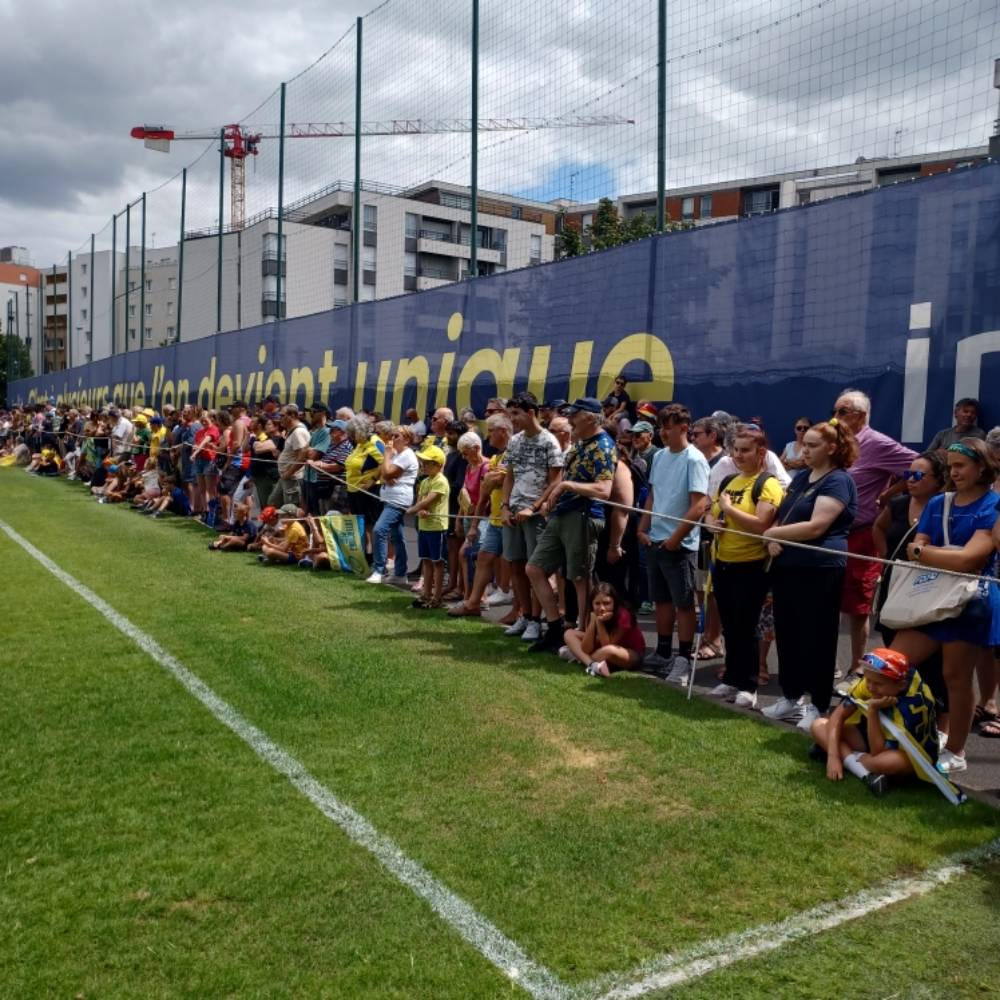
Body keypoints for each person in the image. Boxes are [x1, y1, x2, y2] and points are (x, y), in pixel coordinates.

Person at [888, 440, 1000, 773]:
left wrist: (927, 554)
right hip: (930, 596)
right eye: (950, 466)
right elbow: (916, 547)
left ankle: (956, 751)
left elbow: (970, 559)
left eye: (960, 466)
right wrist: (934, 554)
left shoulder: (993, 504)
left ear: (982, 467)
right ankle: (898, 730)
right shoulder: (938, 502)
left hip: (971, 601)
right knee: (891, 663)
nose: (953, 472)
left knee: (956, 677)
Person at [762, 420, 859, 730]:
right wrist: (776, 536)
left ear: (832, 448)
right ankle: (791, 696)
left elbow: (818, 525)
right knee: (788, 632)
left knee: (817, 636)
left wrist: (773, 532)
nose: (805, 449)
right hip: (788, 566)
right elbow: (786, 515)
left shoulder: (839, 480)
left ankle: (818, 705)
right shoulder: (802, 476)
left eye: (813, 445)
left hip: (820, 568)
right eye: (804, 443)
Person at [831, 388, 916, 672]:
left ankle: (857, 667)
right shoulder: (838, 443)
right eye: (834, 411)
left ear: (861, 415)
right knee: (829, 600)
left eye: (842, 412)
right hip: (831, 534)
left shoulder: (877, 443)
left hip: (862, 534)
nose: (835, 418)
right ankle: (826, 663)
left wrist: (891, 492)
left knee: (857, 607)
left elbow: (920, 466)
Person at [526, 397, 617, 653]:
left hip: (583, 515)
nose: (570, 420)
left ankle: (584, 636)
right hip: (562, 513)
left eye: (575, 415)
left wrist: (566, 487)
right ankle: (556, 629)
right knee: (534, 568)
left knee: (580, 578)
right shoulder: (579, 444)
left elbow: (604, 489)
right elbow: (564, 477)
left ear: (590, 417)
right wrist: (543, 502)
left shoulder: (603, 446)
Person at [705, 424, 784, 708]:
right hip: (723, 561)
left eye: (745, 450)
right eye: (735, 450)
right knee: (730, 625)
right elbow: (709, 513)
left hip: (751, 564)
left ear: (760, 452)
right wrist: (713, 522)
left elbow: (761, 524)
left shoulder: (768, 483)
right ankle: (731, 678)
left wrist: (728, 510)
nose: (739, 455)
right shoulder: (729, 482)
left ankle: (749, 685)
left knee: (747, 625)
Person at [868, 451, 948, 708]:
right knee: (892, 643)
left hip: (927, 589)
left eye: (918, 475)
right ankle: (900, 707)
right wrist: (885, 556)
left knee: (932, 663)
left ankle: (938, 718)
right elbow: (878, 528)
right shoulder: (899, 504)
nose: (910, 480)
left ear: (938, 480)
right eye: (907, 475)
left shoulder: (946, 509)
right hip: (894, 581)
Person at [637, 403, 710, 683]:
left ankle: (683, 658)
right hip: (655, 540)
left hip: (679, 545)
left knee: (683, 603)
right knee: (661, 600)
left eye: (667, 429)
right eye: (661, 428)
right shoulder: (661, 457)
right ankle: (664, 652)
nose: (663, 434)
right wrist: (642, 528)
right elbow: (652, 495)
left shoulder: (694, 459)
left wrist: (675, 539)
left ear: (683, 428)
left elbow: (699, 505)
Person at [809, 648, 938, 798]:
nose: (870, 687)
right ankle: (858, 766)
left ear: (901, 685)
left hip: (903, 753)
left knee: (892, 762)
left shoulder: (910, 707)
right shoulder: (876, 680)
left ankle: (845, 755)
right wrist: (833, 756)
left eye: (877, 684)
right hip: (871, 738)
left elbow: (878, 751)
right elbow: (838, 715)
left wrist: (872, 711)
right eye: (867, 680)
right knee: (818, 725)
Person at [500, 392, 564, 641]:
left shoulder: (549, 441)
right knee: (515, 564)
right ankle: (525, 615)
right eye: (510, 414)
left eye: (516, 414)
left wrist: (534, 507)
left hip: (536, 515)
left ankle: (537, 621)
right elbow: (509, 476)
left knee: (534, 568)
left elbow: (555, 481)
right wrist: (505, 506)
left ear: (530, 412)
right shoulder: (515, 441)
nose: (512, 419)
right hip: (514, 510)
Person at [448, 413, 512, 618]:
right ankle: (473, 602)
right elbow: (485, 488)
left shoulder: (502, 457)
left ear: (503, 431)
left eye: (491, 431)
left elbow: (495, 482)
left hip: (505, 516)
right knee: (482, 556)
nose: (488, 436)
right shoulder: (495, 458)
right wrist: (469, 522)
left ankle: (516, 608)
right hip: (491, 517)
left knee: (513, 563)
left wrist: (495, 479)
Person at [366, 425, 419, 585]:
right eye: (392, 435)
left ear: (407, 440)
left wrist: (387, 455)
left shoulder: (406, 455)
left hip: (398, 500)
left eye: (397, 436)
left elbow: (387, 472)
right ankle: (401, 573)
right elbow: (384, 474)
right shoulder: (397, 454)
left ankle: (379, 570)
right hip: (389, 497)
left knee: (379, 529)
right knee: (397, 535)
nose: (392, 439)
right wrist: (386, 473)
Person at [559, 582, 646, 677]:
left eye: (607, 603)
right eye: (597, 603)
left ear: (614, 602)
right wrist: (593, 622)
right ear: (592, 604)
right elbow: (586, 648)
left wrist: (599, 622)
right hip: (601, 648)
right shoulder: (592, 614)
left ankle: (579, 657)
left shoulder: (623, 615)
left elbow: (607, 646)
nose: (602, 608)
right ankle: (592, 664)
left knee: (609, 650)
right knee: (569, 633)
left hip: (627, 653)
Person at [406, 444, 450, 608]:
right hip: (424, 526)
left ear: (438, 465)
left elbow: (429, 500)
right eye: (422, 462)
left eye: (427, 463)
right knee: (426, 560)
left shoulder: (441, 481)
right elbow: (421, 501)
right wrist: (419, 510)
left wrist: (415, 509)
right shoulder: (425, 481)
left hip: (437, 527)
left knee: (438, 562)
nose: (423, 466)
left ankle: (437, 597)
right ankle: (426, 594)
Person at [343, 414, 385, 553]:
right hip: (354, 491)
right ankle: (364, 556)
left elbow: (385, 462)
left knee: (370, 525)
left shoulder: (374, 442)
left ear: (360, 431)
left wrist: (372, 481)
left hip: (368, 491)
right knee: (360, 525)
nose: (351, 436)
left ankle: (376, 557)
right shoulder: (360, 444)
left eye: (352, 433)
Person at [270, 405, 312, 509]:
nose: (280, 419)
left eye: (282, 416)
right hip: (285, 476)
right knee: (273, 502)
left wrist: (288, 473)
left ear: (292, 415)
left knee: (291, 509)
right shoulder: (291, 431)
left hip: (293, 478)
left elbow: (302, 457)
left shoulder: (298, 432)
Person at [300, 403, 332, 516]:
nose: (310, 415)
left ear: (322, 413)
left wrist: (307, 450)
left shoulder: (327, 432)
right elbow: (301, 456)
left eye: (313, 412)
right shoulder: (314, 432)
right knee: (307, 512)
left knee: (317, 514)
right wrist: (307, 451)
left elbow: (313, 456)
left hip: (317, 480)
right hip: (307, 478)